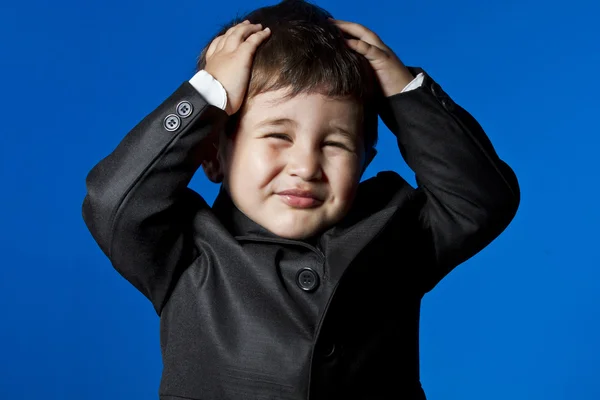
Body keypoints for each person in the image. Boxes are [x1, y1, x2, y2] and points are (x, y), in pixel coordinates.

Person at [81, 0, 520, 399]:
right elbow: (112, 200)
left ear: (366, 159)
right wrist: (206, 95)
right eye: (277, 135)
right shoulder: (185, 251)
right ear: (212, 156)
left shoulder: (396, 231)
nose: (305, 166)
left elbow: (483, 199)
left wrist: (405, 93)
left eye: (336, 143)